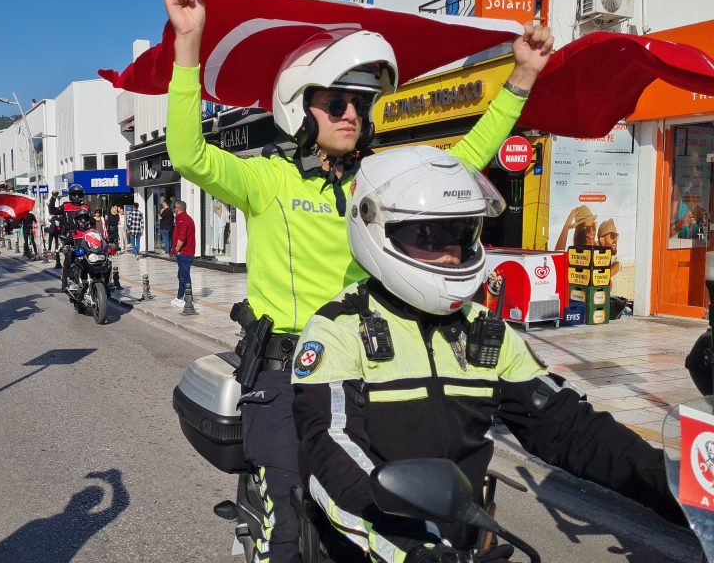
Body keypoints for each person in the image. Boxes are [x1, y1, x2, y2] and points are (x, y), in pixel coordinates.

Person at [163, 0, 553, 560]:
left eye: (360, 104)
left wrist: (520, 78)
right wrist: (189, 41)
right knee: (290, 530)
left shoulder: (373, 181)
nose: (351, 114)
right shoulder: (267, 180)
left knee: (397, 509)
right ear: (300, 106)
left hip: (362, 364)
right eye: (336, 101)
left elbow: (459, 163)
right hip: (284, 372)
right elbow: (187, 153)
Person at [291, 147, 684, 562]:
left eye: (461, 233)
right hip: (372, 547)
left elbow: (568, 427)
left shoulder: (484, 330)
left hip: (462, 546)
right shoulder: (340, 329)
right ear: (374, 229)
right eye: (427, 235)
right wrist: (412, 549)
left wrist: (674, 485)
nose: (450, 252)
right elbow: (328, 449)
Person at [170, 200, 195, 307]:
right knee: (181, 275)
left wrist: (176, 250)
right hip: (186, 252)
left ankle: (188, 299)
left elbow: (182, 237)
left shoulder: (182, 220)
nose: (173, 209)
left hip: (184, 252)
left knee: (184, 276)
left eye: (174, 207)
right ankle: (180, 297)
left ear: (178, 208)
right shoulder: (185, 218)